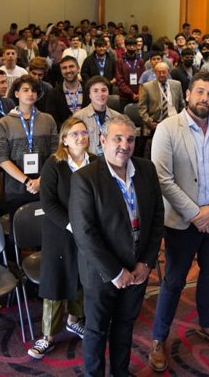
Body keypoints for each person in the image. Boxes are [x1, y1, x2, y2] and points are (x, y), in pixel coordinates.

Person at [148, 71, 209, 371]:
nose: (205, 98)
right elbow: (162, 179)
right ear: (187, 94)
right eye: (199, 92)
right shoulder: (167, 128)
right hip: (181, 222)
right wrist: (195, 214)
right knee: (173, 282)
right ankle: (159, 339)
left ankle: (207, 324)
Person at [69, 114, 164, 377]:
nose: (124, 145)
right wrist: (114, 272)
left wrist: (146, 262)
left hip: (137, 269)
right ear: (102, 141)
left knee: (124, 326)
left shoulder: (146, 169)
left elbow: (157, 218)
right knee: (97, 330)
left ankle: (121, 372)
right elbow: (85, 233)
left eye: (130, 139)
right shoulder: (85, 178)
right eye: (117, 138)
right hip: (102, 273)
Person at [29, 117, 91, 359]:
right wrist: (71, 225)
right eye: (74, 134)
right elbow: (48, 202)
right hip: (59, 230)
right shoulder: (54, 164)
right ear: (64, 140)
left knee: (81, 277)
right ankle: (48, 337)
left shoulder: (95, 162)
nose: (80, 137)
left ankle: (74, 320)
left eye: (84, 133)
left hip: (87, 231)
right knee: (55, 282)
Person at [0, 74, 58, 220]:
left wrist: (41, 181)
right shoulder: (4, 123)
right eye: (26, 90)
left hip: (45, 185)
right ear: (16, 93)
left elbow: (55, 153)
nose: (30, 93)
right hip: (16, 188)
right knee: (22, 233)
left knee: (45, 230)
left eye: (34, 90)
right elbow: (3, 159)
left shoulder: (48, 120)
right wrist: (27, 181)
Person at [73, 76, 121, 156]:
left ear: (108, 93)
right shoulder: (78, 117)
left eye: (104, 90)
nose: (100, 94)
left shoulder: (117, 117)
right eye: (95, 91)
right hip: (87, 163)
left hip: (111, 161)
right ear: (89, 95)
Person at [137, 62, 185, 138]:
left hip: (173, 122)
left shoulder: (177, 85)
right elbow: (141, 108)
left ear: (168, 72)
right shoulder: (147, 87)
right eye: (159, 72)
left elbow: (182, 105)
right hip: (156, 123)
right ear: (155, 73)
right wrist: (149, 121)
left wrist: (181, 120)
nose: (162, 74)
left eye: (164, 72)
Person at [45, 55, 89, 127]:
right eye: (64, 68)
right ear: (61, 71)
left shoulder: (89, 90)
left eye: (71, 66)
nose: (68, 70)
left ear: (78, 69)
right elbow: (52, 120)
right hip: (64, 134)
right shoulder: (53, 94)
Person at [115, 37, 145, 109]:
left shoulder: (140, 61)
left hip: (139, 95)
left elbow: (144, 78)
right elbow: (119, 80)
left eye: (134, 46)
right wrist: (131, 94)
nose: (132, 48)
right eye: (129, 46)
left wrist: (139, 93)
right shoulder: (120, 61)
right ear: (126, 46)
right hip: (125, 97)